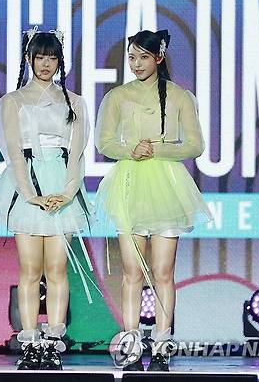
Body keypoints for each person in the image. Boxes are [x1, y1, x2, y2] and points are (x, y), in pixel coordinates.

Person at [94, 29, 212, 371]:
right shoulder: (117, 96)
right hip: (130, 182)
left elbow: (195, 145)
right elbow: (103, 141)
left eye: (143, 57)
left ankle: (161, 345)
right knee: (132, 272)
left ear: (158, 58)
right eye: (132, 57)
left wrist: (157, 149)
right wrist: (130, 149)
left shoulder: (180, 97)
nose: (136, 64)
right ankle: (131, 344)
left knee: (163, 272)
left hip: (166, 184)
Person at [0, 26, 95, 370]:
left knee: (57, 268)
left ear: (60, 61)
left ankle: (53, 341)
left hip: (61, 184)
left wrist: (67, 192)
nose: (46, 64)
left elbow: (77, 154)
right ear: (28, 59)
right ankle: (30, 340)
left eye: (52, 57)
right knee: (30, 269)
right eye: (40, 57)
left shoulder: (74, 102)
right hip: (27, 186)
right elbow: (13, 152)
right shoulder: (13, 101)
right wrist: (31, 194)